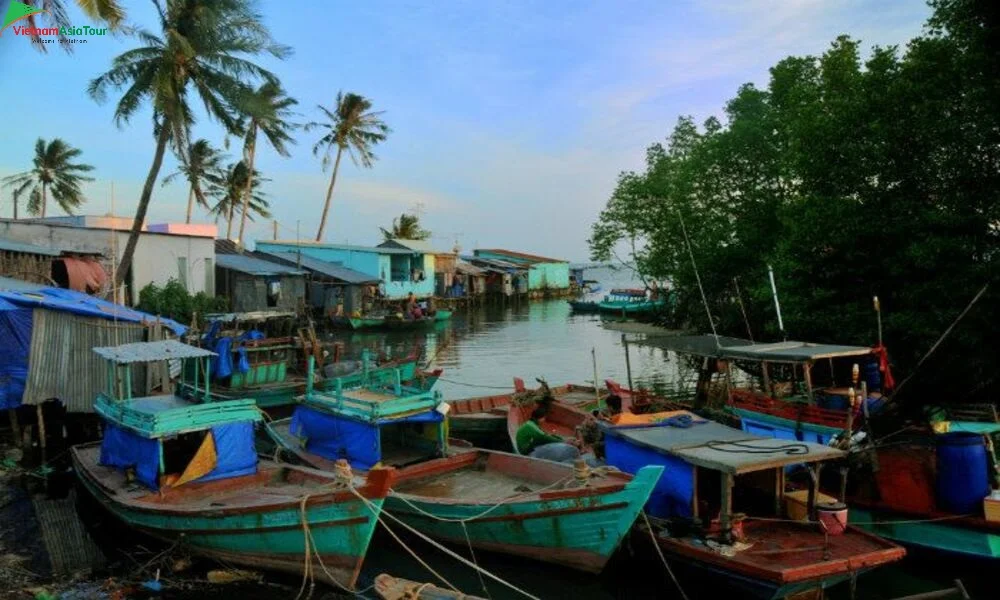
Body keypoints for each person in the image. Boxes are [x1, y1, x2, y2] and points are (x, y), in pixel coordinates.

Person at [515, 403, 581, 463]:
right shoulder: (532, 427)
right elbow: (545, 437)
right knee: (560, 449)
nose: (544, 420)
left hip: (528, 448)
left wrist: (562, 439)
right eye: (544, 418)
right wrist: (563, 442)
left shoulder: (530, 424)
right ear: (541, 418)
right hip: (527, 452)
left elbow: (546, 435)